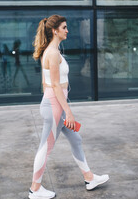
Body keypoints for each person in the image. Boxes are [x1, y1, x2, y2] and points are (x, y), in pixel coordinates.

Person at [28, 15, 109, 199]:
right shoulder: (53, 53)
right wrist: (68, 113)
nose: (67, 30)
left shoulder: (51, 51)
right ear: (55, 31)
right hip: (55, 107)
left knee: (76, 139)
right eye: (64, 27)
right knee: (45, 147)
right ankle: (35, 188)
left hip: (54, 105)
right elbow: (55, 86)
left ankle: (89, 178)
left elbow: (45, 83)